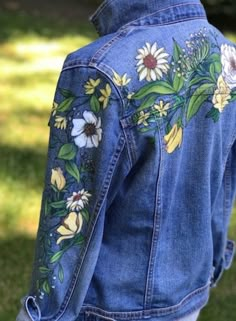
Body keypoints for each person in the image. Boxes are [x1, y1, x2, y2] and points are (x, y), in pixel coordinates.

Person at [16, 1, 236, 320]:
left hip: (110, 307)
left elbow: (74, 217)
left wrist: (41, 313)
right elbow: (222, 183)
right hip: (188, 296)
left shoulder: (99, 70)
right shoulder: (226, 56)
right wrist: (212, 262)